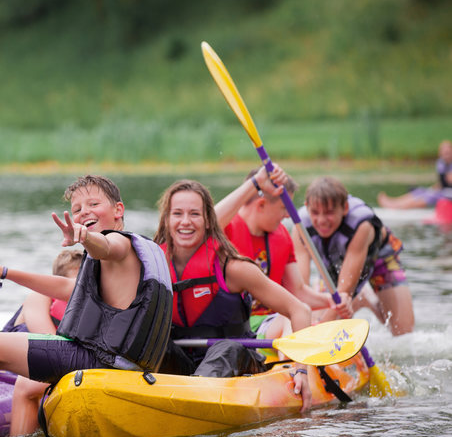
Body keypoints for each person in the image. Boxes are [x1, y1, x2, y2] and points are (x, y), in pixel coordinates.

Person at [0, 175, 173, 437]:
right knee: (15, 375)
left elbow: (105, 246)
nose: (84, 212)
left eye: (93, 203)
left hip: (101, 362)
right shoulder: (132, 255)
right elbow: (66, 287)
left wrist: (86, 238)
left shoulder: (119, 244)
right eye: (77, 209)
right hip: (122, 364)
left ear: (118, 210)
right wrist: (4, 271)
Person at [153, 179, 313, 412]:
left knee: (226, 348)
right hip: (183, 362)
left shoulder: (233, 268)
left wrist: (301, 370)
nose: (185, 222)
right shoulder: (152, 265)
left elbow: (300, 310)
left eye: (194, 214)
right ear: (166, 220)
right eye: (177, 213)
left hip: (238, 361)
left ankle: (191, 403)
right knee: (155, 343)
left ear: (208, 221)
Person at [215, 167, 352, 341]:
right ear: (261, 204)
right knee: (291, 316)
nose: (288, 215)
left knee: (304, 318)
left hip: (272, 324)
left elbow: (298, 291)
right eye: (283, 207)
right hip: (232, 327)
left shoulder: (281, 236)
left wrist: (332, 300)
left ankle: (297, 361)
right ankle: (296, 363)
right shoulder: (225, 228)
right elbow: (205, 223)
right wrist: (256, 182)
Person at [293, 176, 415, 336]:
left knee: (403, 332)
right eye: (315, 212)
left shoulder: (362, 226)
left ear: (344, 208)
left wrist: (319, 335)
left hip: (380, 259)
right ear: (307, 207)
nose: (321, 220)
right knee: (316, 316)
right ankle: (362, 299)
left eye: (329, 212)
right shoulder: (300, 227)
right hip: (333, 264)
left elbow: (345, 290)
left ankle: (368, 300)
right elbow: (301, 287)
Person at [7, 249, 83, 437]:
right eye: (74, 280)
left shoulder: (81, 311)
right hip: (9, 372)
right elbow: (53, 344)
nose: (79, 287)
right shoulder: (38, 298)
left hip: (39, 374)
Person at [377, 139, 452, 209]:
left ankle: (400, 207)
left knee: (430, 196)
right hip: (444, 192)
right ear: (440, 153)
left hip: (448, 195)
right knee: (421, 191)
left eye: (448, 153)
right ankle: (395, 202)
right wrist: (431, 189)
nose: (446, 155)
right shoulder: (441, 163)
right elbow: (442, 184)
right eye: (444, 153)